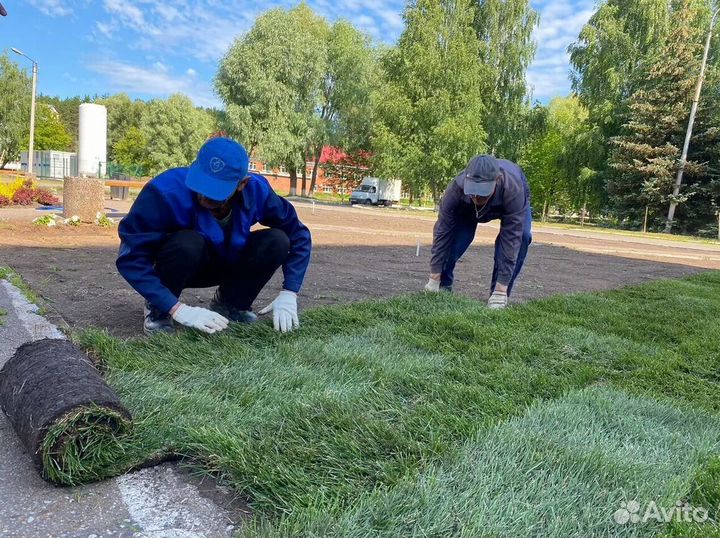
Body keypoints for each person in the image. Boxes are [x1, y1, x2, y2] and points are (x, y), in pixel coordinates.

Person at [116, 137, 312, 335]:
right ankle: (158, 310)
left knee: (277, 240)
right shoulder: (165, 191)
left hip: (227, 258)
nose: (203, 195)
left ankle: (229, 304)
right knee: (187, 243)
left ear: (242, 184)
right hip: (182, 263)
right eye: (200, 184)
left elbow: (298, 234)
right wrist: (176, 308)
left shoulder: (257, 191)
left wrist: (290, 292)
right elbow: (131, 257)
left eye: (215, 191)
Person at [424, 154, 532, 309]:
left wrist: (501, 290)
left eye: (482, 192)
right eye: (473, 190)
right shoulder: (456, 189)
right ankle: (442, 286)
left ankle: (499, 294)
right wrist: (434, 276)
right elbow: (443, 232)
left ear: (497, 180)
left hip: (510, 202)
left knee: (522, 237)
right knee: (454, 240)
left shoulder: (513, 188)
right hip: (466, 211)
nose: (476, 196)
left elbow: (512, 237)